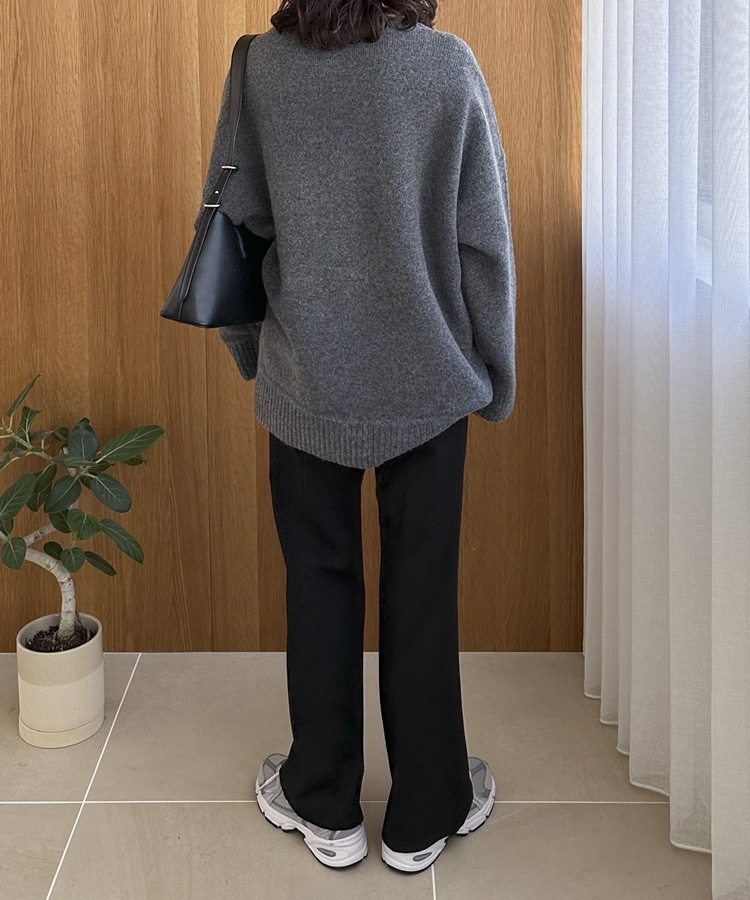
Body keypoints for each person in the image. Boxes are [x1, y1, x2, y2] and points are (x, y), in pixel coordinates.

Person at [195, 0, 516, 875]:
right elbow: (483, 241)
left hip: (308, 379)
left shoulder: (262, 65)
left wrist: (255, 356)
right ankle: (425, 813)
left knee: (318, 582)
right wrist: (495, 374)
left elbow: (232, 217)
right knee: (423, 592)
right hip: (430, 383)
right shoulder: (446, 66)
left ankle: (324, 803)